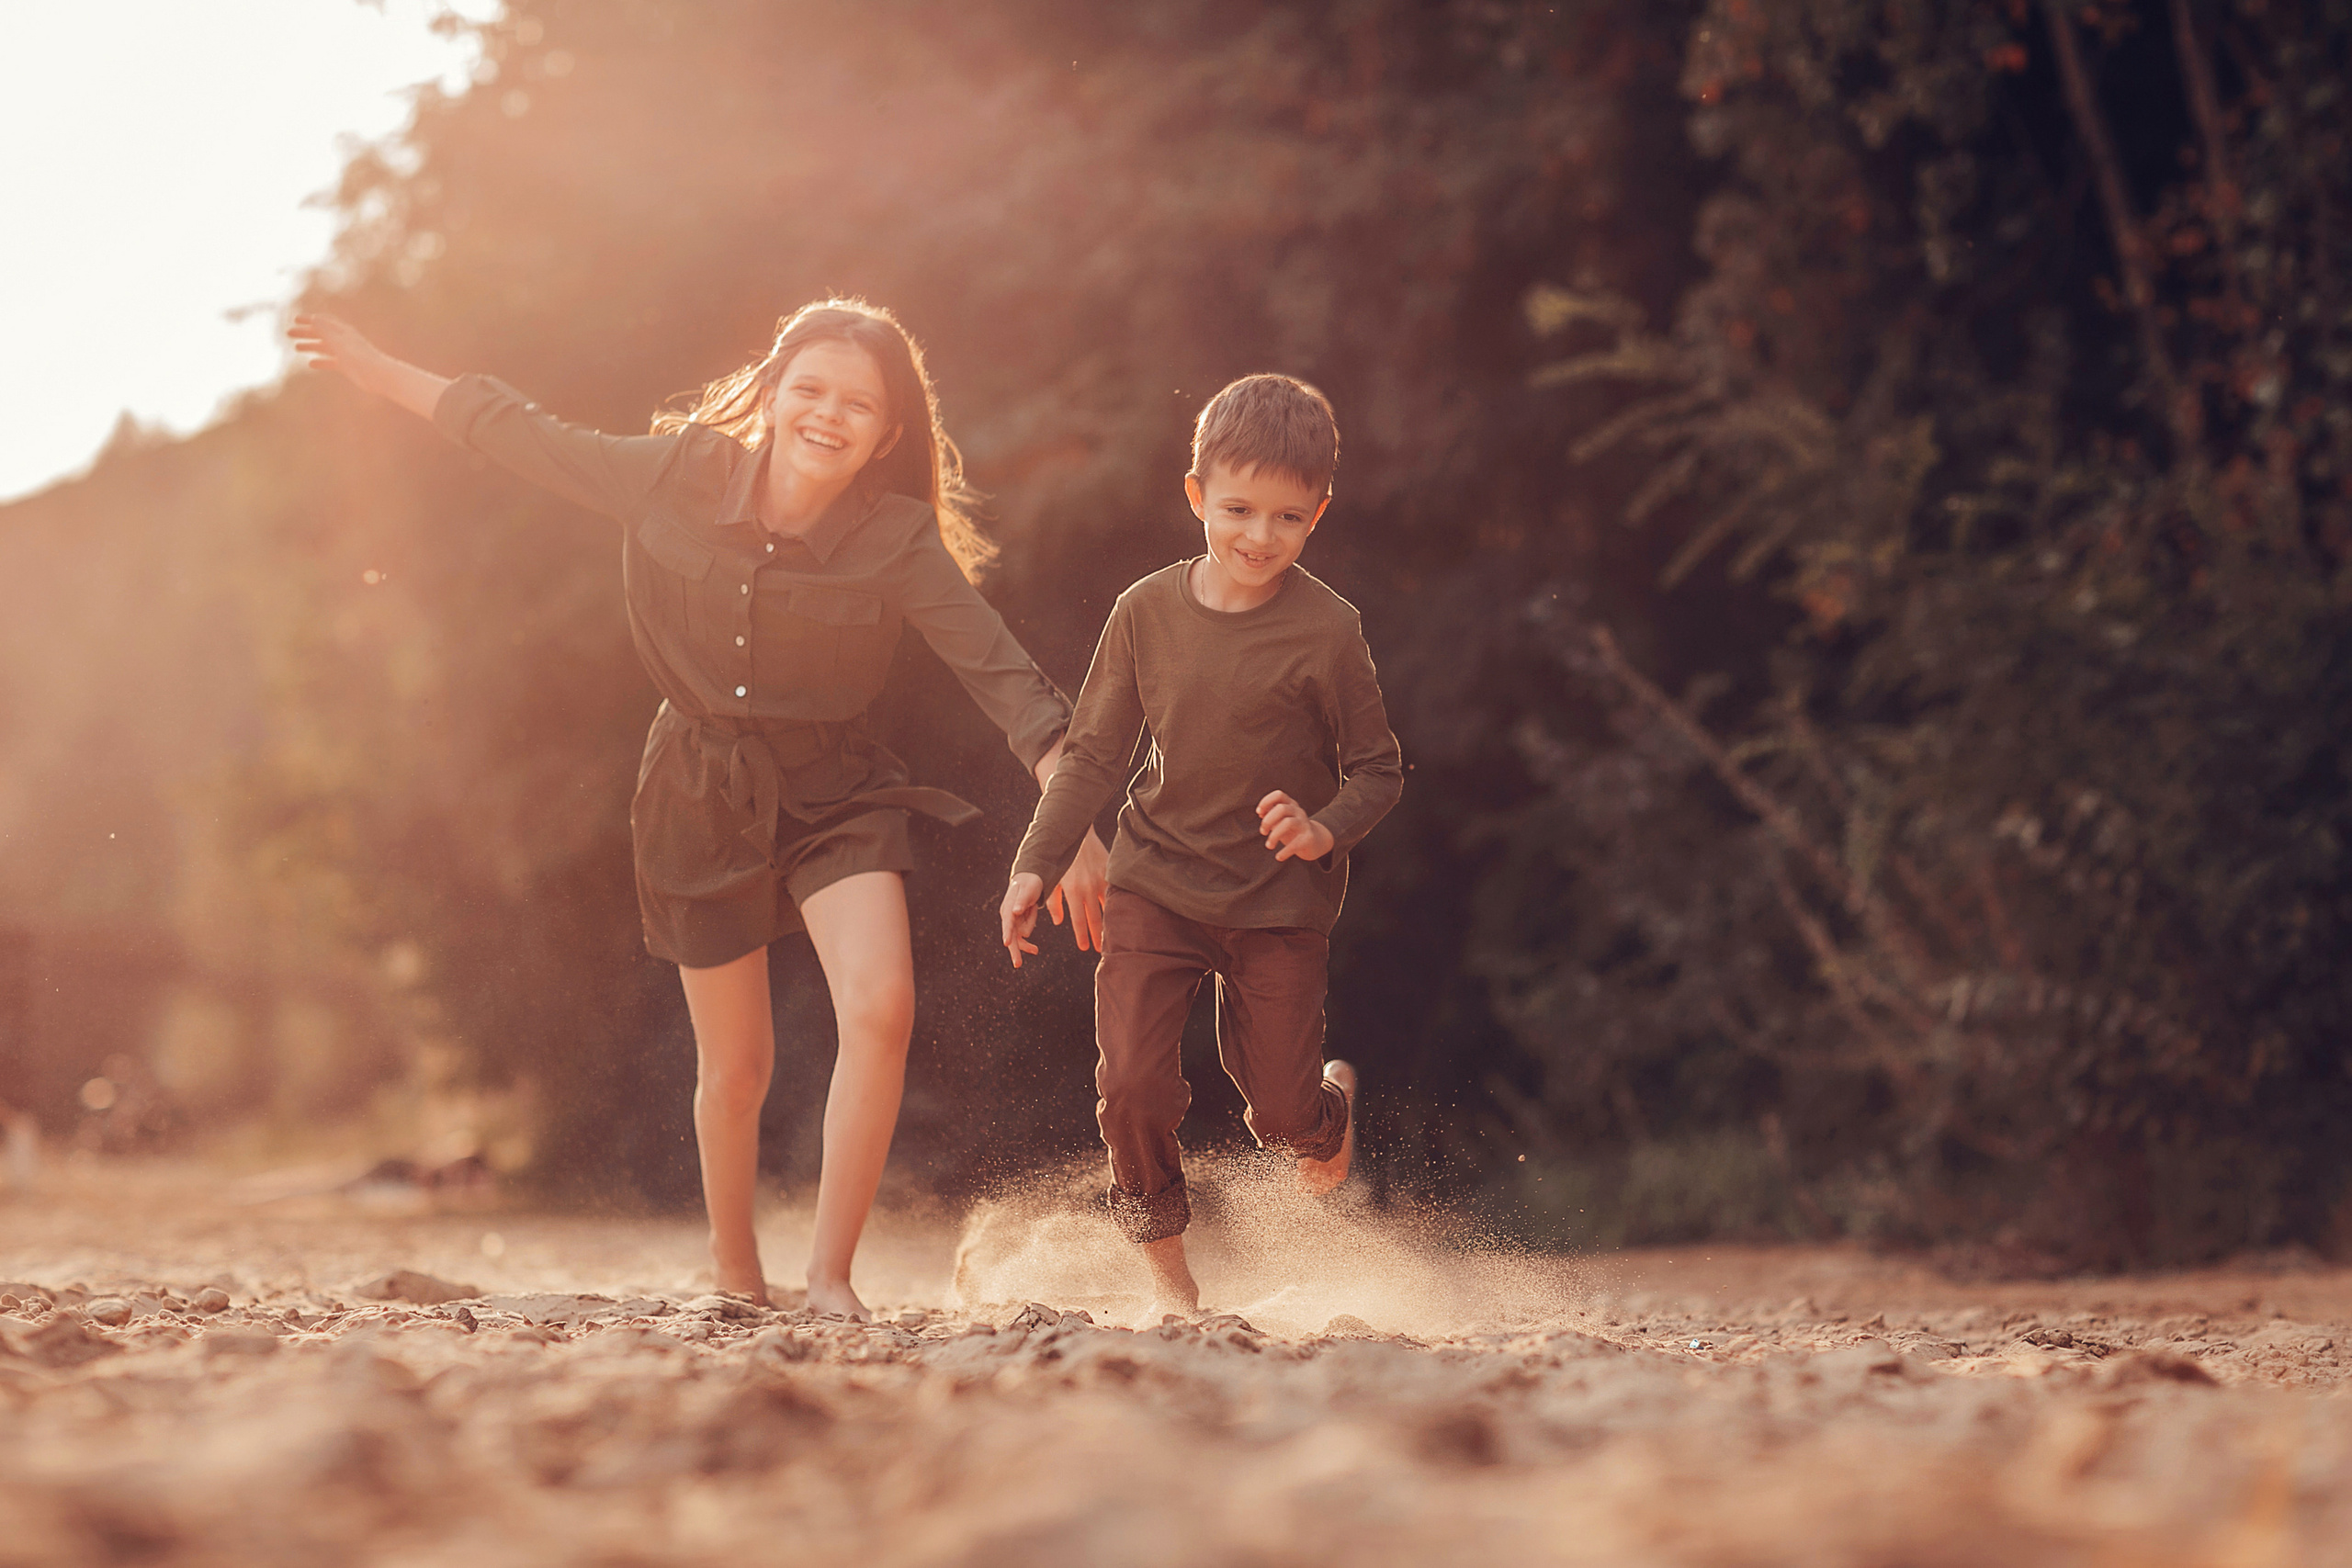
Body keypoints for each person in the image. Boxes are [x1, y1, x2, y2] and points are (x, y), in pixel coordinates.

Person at [291, 300, 1109, 1320]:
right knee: (737, 1069)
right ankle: (734, 1272)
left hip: (835, 792)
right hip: (694, 794)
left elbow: (1007, 678)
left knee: (881, 1006)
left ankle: (828, 1278)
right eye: (808, 389)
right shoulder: (674, 475)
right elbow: (516, 429)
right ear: (768, 396)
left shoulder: (895, 539)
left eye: (858, 404)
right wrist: (377, 372)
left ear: (888, 435)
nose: (828, 414)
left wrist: (1066, 813)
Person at [997, 373, 1403, 1315]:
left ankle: (1325, 1116)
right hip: (1157, 888)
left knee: (1278, 1113)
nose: (1260, 536)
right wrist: (1035, 862)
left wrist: (1320, 828)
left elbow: (1377, 770)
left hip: (1276, 906)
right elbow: (1093, 755)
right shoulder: (1143, 611)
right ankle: (1173, 1286)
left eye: (1288, 518)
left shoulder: (1330, 629)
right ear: (1195, 496)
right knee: (1132, 1086)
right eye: (1237, 508)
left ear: (1318, 515)